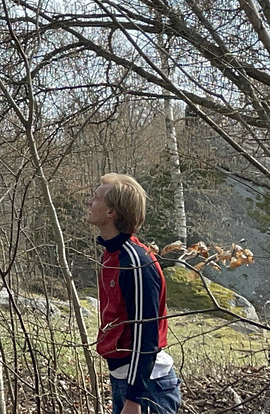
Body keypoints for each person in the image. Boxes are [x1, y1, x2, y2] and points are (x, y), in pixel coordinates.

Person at [86, 174, 182, 414]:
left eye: (96, 198)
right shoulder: (112, 255)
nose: (90, 202)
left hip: (148, 389)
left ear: (112, 212)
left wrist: (134, 398)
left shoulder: (136, 262)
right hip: (127, 381)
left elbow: (145, 333)